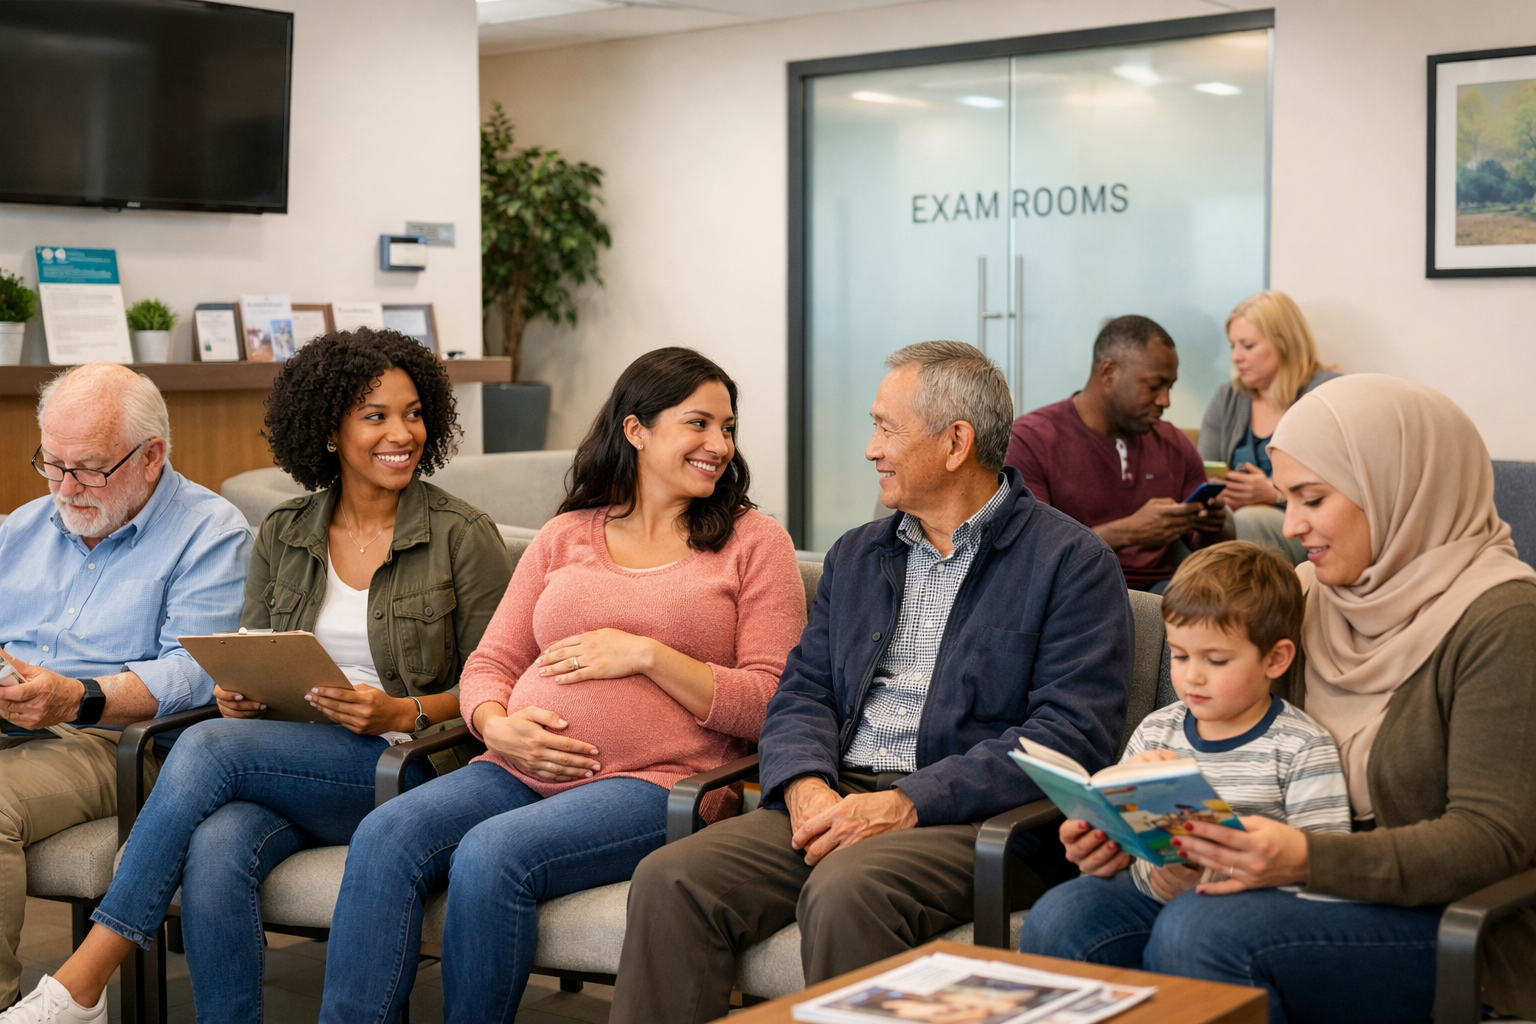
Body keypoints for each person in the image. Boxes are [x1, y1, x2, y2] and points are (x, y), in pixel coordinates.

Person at [610, 341, 1133, 1024]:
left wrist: (908, 802)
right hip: (841, 796)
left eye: (885, 428)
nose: (870, 449)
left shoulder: (1071, 563)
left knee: (848, 888)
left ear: (954, 443)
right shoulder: (859, 554)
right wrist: (802, 785)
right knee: (671, 877)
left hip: (975, 820)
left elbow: (1069, 737)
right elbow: (803, 692)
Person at [2, 330, 513, 1024]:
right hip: (291, 753)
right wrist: (234, 693)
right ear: (328, 429)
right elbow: (244, 654)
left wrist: (400, 713)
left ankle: (84, 979)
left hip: (410, 764)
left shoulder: (462, 533)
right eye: (377, 415)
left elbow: (498, 684)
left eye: (415, 413)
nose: (403, 433)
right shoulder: (286, 530)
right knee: (216, 845)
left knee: (208, 746)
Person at [312, 347, 806, 1024]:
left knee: (492, 855)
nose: (718, 444)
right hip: (515, 765)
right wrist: (497, 725)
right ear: (636, 430)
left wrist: (647, 655)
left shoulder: (754, 543)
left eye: (727, 427)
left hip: (658, 785)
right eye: (699, 424)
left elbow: (773, 702)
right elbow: (491, 662)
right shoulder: (567, 534)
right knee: (386, 832)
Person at [1032, 374, 1536, 1023]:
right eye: (1288, 498)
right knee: (1065, 918)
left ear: (1395, 488)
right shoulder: (1312, 595)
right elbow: (1237, 736)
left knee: (1202, 933)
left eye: (1312, 498)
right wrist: (1133, 831)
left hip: (1451, 922)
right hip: (1274, 880)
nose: (1291, 525)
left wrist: (1302, 856)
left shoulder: (1503, 621)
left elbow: (1490, 841)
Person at [0, 364, 250, 1011]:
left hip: (112, 740)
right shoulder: (23, 527)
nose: (64, 486)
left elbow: (197, 670)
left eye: (86, 468)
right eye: (51, 464)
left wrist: (78, 694)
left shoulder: (210, 532)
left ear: (151, 456)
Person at [1017, 541, 1350, 962]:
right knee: (1055, 916)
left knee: (1189, 926)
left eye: (1216, 660)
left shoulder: (1301, 746)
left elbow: (1324, 868)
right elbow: (1132, 854)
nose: (1192, 676)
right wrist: (1102, 842)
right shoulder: (1158, 729)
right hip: (1156, 892)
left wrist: (1215, 871)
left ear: (1275, 659)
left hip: (1252, 908)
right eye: (1179, 655)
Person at [1006, 315, 1232, 593]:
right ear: (1109, 372)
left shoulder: (1172, 442)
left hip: (1163, 593)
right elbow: (1029, 551)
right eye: (1153, 386)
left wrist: (1215, 525)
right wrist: (1129, 531)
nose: (1166, 401)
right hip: (1073, 589)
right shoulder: (1031, 440)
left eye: (1169, 387)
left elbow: (1210, 552)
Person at [1198, 291, 1339, 565]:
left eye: (1247, 345)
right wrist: (1219, 490)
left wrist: (1274, 492)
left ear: (1284, 344)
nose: (1236, 357)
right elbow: (1203, 469)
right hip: (1233, 517)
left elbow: (1341, 482)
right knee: (1192, 523)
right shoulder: (1226, 397)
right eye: (1232, 346)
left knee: (1249, 519)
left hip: (1301, 521)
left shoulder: (1326, 393)